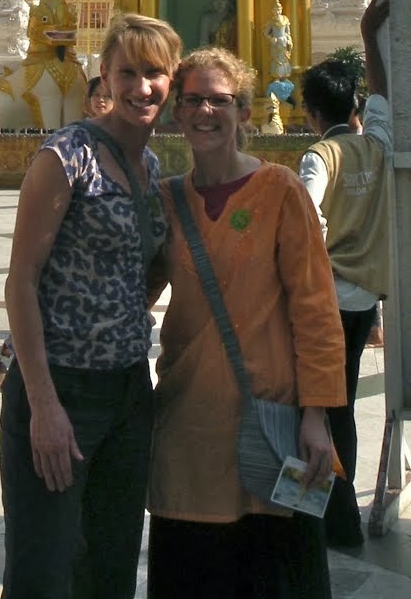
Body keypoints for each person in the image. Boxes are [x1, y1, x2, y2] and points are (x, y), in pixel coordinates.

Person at [147, 47, 346, 599]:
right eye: (194, 100)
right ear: (177, 113)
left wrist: (316, 417)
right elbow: (127, 293)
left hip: (271, 419)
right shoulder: (165, 200)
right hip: (190, 421)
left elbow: (316, 311)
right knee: (193, 573)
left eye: (220, 100)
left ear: (245, 113)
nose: (206, 111)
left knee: (272, 576)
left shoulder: (281, 191)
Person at [0, 13, 181, 599]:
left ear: (171, 79)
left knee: (110, 563)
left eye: (154, 72)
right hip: (61, 388)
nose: (141, 86)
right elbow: (21, 280)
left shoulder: (150, 168)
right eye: (127, 71)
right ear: (103, 75)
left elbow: (145, 268)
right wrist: (44, 408)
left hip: (128, 389)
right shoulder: (66, 156)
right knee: (43, 569)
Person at [299, 0, 392, 549]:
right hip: (365, 303)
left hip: (326, 301)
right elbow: (380, 93)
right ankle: (335, 514)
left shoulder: (319, 157)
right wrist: (367, 35)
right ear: (353, 110)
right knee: (342, 405)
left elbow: (307, 223)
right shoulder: (376, 145)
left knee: (324, 409)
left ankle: (335, 519)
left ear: (311, 113)